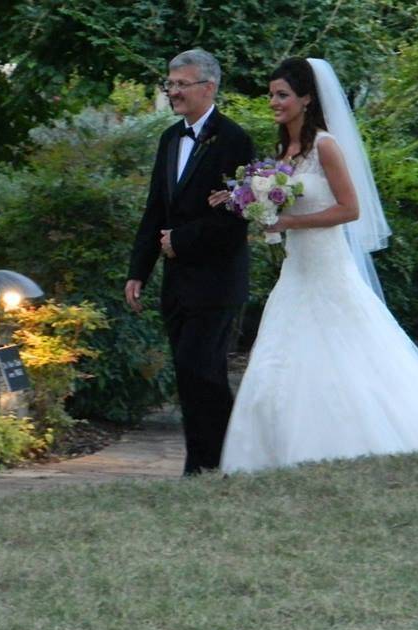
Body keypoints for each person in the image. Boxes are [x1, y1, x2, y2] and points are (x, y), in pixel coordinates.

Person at [218, 58, 418, 473]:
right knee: (277, 357)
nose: (274, 101)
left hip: (327, 267)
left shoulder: (325, 145)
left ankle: (355, 441)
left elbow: (350, 209)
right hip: (295, 270)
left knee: (345, 353)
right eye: (271, 94)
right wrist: (254, 208)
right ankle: (267, 456)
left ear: (307, 99)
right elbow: (276, 207)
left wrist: (291, 220)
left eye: (282, 95)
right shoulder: (282, 152)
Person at [125, 49, 255, 475]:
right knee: (188, 373)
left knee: (205, 372)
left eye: (182, 84)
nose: (174, 92)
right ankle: (210, 461)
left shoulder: (235, 140)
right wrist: (138, 271)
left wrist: (181, 240)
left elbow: (237, 219)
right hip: (177, 283)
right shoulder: (168, 139)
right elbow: (154, 210)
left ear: (209, 87)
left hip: (217, 282)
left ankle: (207, 464)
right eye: (171, 83)